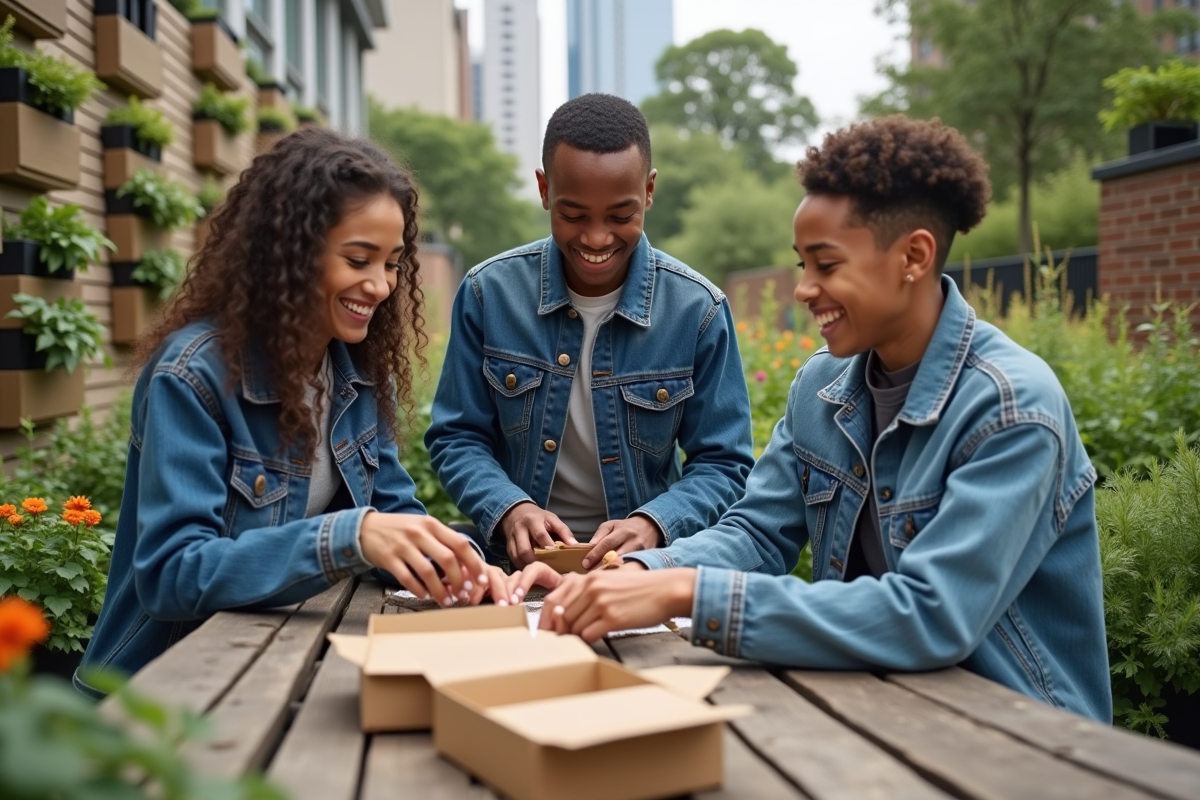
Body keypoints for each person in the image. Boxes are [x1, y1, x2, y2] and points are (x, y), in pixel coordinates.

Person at [524, 116, 1112, 723]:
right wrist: (635, 573)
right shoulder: (821, 387)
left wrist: (687, 592)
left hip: (1022, 734)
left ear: (913, 256)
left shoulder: (1011, 409)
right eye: (802, 264)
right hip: (877, 706)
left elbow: (931, 617)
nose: (803, 290)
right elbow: (757, 533)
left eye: (826, 265)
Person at [76, 129, 505, 698]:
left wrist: (465, 564)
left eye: (393, 263)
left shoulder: (354, 373)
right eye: (358, 260)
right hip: (155, 696)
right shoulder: (193, 375)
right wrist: (350, 536)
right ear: (289, 252)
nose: (381, 286)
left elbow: (391, 513)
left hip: (262, 671)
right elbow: (172, 574)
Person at [425, 93, 755, 571]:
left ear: (649, 191)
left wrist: (654, 523)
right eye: (574, 215)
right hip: (514, 566)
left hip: (643, 570)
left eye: (621, 216)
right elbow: (457, 436)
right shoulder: (487, 294)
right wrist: (510, 509)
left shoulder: (698, 310)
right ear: (544, 190)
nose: (597, 238)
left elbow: (724, 464)